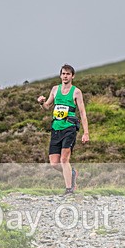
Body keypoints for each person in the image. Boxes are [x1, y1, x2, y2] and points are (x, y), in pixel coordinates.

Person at [37, 64, 90, 194]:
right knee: (54, 163)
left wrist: (86, 133)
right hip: (56, 128)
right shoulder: (55, 89)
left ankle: (69, 189)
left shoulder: (76, 92)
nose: (65, 76)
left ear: (72, 76)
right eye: (63, 74)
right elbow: (47, 107)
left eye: (68, 74)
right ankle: (71, 173)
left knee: (64, 159)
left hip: (69, 128)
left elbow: (82, 113)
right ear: (60, 75)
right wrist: (41, 102)